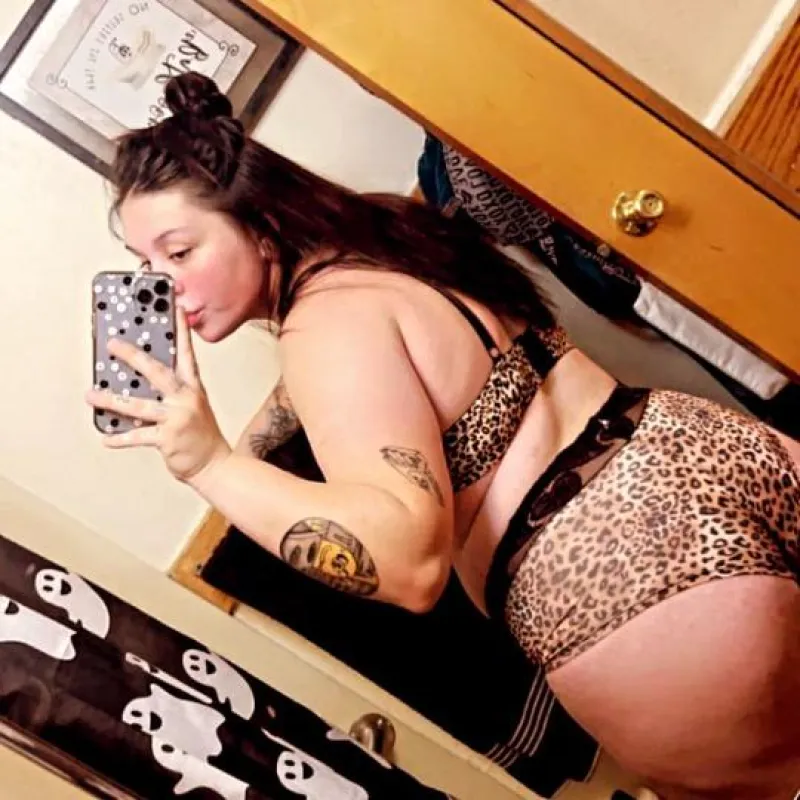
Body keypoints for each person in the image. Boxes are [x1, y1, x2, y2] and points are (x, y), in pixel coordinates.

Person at [87, 72, 800, 799]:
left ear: (259, 221)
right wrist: (257, 439)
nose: (164, 284)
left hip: (614, 574)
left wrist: (208, 464)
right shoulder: (382, 238)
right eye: (147, 265)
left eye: (180, 252)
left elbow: (408, 564)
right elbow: (418, 382)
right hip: (699, 447)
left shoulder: (321, 329)